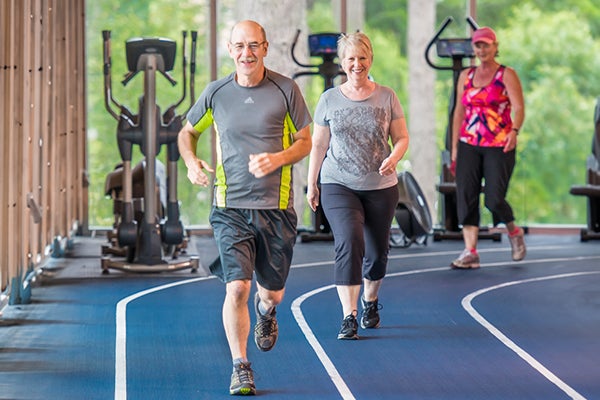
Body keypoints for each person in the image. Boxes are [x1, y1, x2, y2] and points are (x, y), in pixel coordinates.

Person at [177, 20, 312, 396]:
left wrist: (278, 159)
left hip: (276, 206)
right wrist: (190, 163)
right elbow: (187, 132)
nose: (246, 53)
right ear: (229, 49)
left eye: (253, 46)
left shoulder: (286, 89)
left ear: (265, 48)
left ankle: (266, 313)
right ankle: (241, 367)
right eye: (239, 46)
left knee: (272, 293)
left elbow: (306, 141)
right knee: (236, 288)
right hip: (229, 206)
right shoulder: (216, 93)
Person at [306, 32, 409, 340]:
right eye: (350, 59)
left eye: (362, 58)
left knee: (377, 254)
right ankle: (348, 316)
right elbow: (318, 145)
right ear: (342, 62)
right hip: (338, 182)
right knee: (349, 242)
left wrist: (393, 157)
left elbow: (402, 138)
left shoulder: (387, 95)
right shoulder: (329, 99)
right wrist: (312, 184)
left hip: (380, 185)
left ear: (370, 59)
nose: (356, 64)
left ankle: (370, 301)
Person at [450, 26, 526, 269]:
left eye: (486, 44)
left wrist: (514, 132)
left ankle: (514, 232)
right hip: (468, 143)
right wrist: (454, 147)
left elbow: (519, 108)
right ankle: (470, 251)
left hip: (499, 143)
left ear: (495, 46)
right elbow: (458, 112)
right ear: (473, 49)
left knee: (494, 199)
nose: (481, 49)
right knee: (466, 196)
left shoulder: (506, 74)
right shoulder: (466, 76)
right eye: (478, 45)